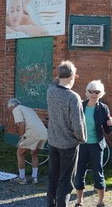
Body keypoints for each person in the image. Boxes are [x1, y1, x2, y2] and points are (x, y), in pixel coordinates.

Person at [46, 60, 86, 207]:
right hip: (68, 144)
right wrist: (82, 138)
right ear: (73, 76)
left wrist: (63, 74)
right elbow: (78, 123)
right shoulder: (73, 97)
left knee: (53, 178)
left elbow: (55, 81)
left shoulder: (51, 90)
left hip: (53, 142)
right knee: (65, 182)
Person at [74, 80, 112, 207]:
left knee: (98, 172)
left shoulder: (103, 108)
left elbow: (107, 130)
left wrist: (111, 125)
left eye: (96, 92)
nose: (93, 94)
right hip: (81, 144)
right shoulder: (80, 105)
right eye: (90, 91)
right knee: (79, 172)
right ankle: (79, 201)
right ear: (86, 93)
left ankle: (100, 201)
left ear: (100, 94)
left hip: (96, 144)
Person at [7, 98, 47, 185]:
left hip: (33, 132)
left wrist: (21, 136)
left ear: (12, 107)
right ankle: (34, 177)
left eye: (10, 109)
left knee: (20, 153)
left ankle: (22, 178)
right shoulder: (28, 109)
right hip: (44, 133)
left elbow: (21, 123)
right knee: (34, 154)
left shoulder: (16, 109)